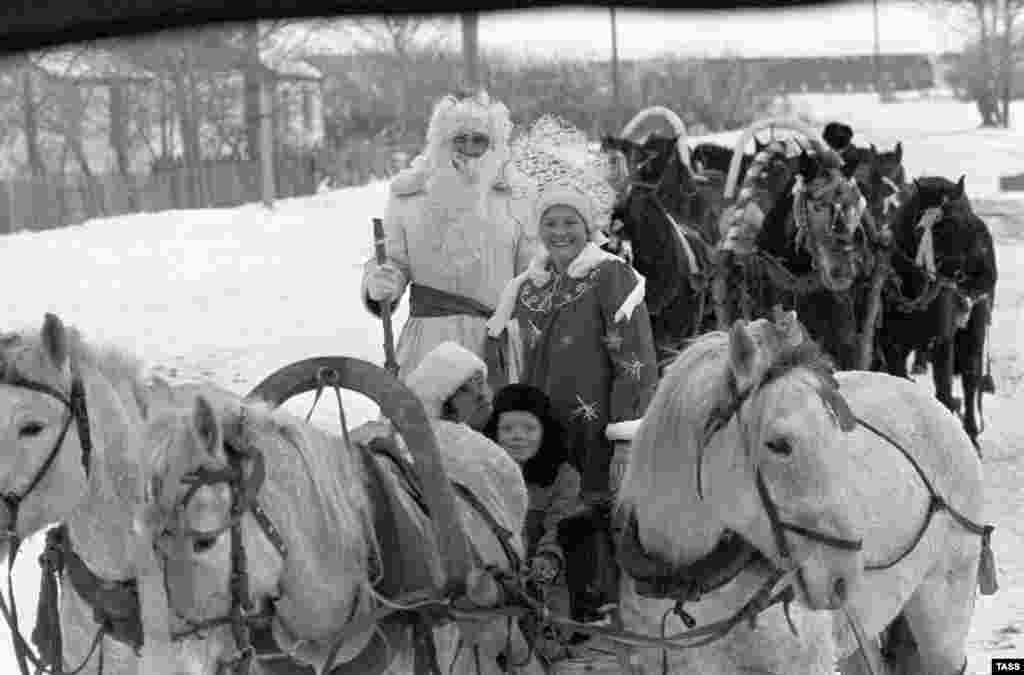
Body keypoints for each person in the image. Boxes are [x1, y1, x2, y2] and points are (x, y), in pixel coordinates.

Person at [487, 117, 659, 619]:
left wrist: (626, 435)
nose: (560, 232)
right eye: (551, 223)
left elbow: (636, 360)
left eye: (570, 223)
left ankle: (606, 606)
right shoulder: (527, 286)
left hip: (598, 428)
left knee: (596, 515)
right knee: (548, 515)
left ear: (588, 226)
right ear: (537, 229)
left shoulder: (612, 276)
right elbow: (511, 359)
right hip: (541, 434)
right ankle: (547, 603)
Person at [361, 90, 539, 392]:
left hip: (494, 342)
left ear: (494, 144)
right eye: (460, 138)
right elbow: (393, 260)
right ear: (443, 140)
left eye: (479, 140)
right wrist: (380, 282)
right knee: (427, 431)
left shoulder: (518, 197)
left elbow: (532, 274)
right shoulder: (410, 195)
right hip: (429, 343)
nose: (469, 149)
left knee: (493, 431)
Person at [483, 383, 583, 661]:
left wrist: (548, 559)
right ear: (493, 432)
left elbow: (560, 527)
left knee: (541, 649)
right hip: (490, 581)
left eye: (529, 428)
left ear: (544, 432)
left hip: (543, 588)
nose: (518, 437)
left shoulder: (564, 477)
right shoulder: (481, 473)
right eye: (508, 429)